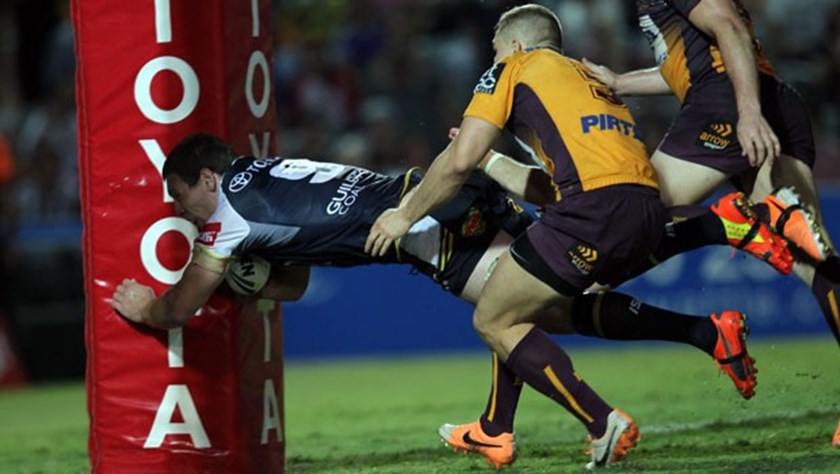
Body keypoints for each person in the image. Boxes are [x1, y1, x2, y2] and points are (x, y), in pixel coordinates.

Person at [112, 132, 751, 469]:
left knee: (513, 314)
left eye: (181, 198)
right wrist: (257, 282)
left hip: (429, 228)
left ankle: (600, 420)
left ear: (207, 178)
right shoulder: (264, 173)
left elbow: (179, 307)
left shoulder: (226, 217)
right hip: (443, 195)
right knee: (558, 298)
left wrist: (147, 308)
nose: (183, 213)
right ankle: (704, 330)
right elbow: (296, 281)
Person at [363, 4, 776, 468]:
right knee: (522, 297)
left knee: (494, 320)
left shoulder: (514, 68)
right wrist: (490, 161)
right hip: (644, 207)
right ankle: (496, 427)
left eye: (496, 52)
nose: (494, 60)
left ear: (515, 46)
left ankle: (602, 423)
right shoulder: (582, 81)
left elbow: (457, 161)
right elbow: (548, 189)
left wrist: (403, 215)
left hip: (593, 211)